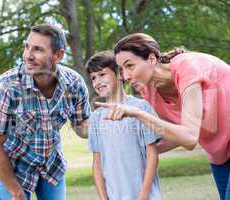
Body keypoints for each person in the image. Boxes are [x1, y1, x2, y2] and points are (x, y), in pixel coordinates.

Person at [95, 33, 230, 200]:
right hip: (219, 155)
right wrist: (127, 150)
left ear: (151, 59)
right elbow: (172, 134)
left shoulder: (188, 67)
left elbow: (189, 138)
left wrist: (138, 114)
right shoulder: (148, 90)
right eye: (122, 69)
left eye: (130, 66)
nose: (126, 76)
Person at [0, 24, 90, 200]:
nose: (28, 56)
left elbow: (81, 126)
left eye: (38, 49)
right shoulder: (6, 87)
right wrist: (16, 191)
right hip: (14, 168)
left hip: (51, 166)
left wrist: (103, 123)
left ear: (58, 55)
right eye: (27, 47)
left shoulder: (74, 83)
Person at [86, 50, 162, 200]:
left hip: (146, 196)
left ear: (120, 74)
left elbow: (152, 155)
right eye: (93, 78)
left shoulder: (141, 108)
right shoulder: (96, 118)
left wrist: (143, 196)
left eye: (102, 74)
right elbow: (97, 163)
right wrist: (103, 198)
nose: (97, 81)